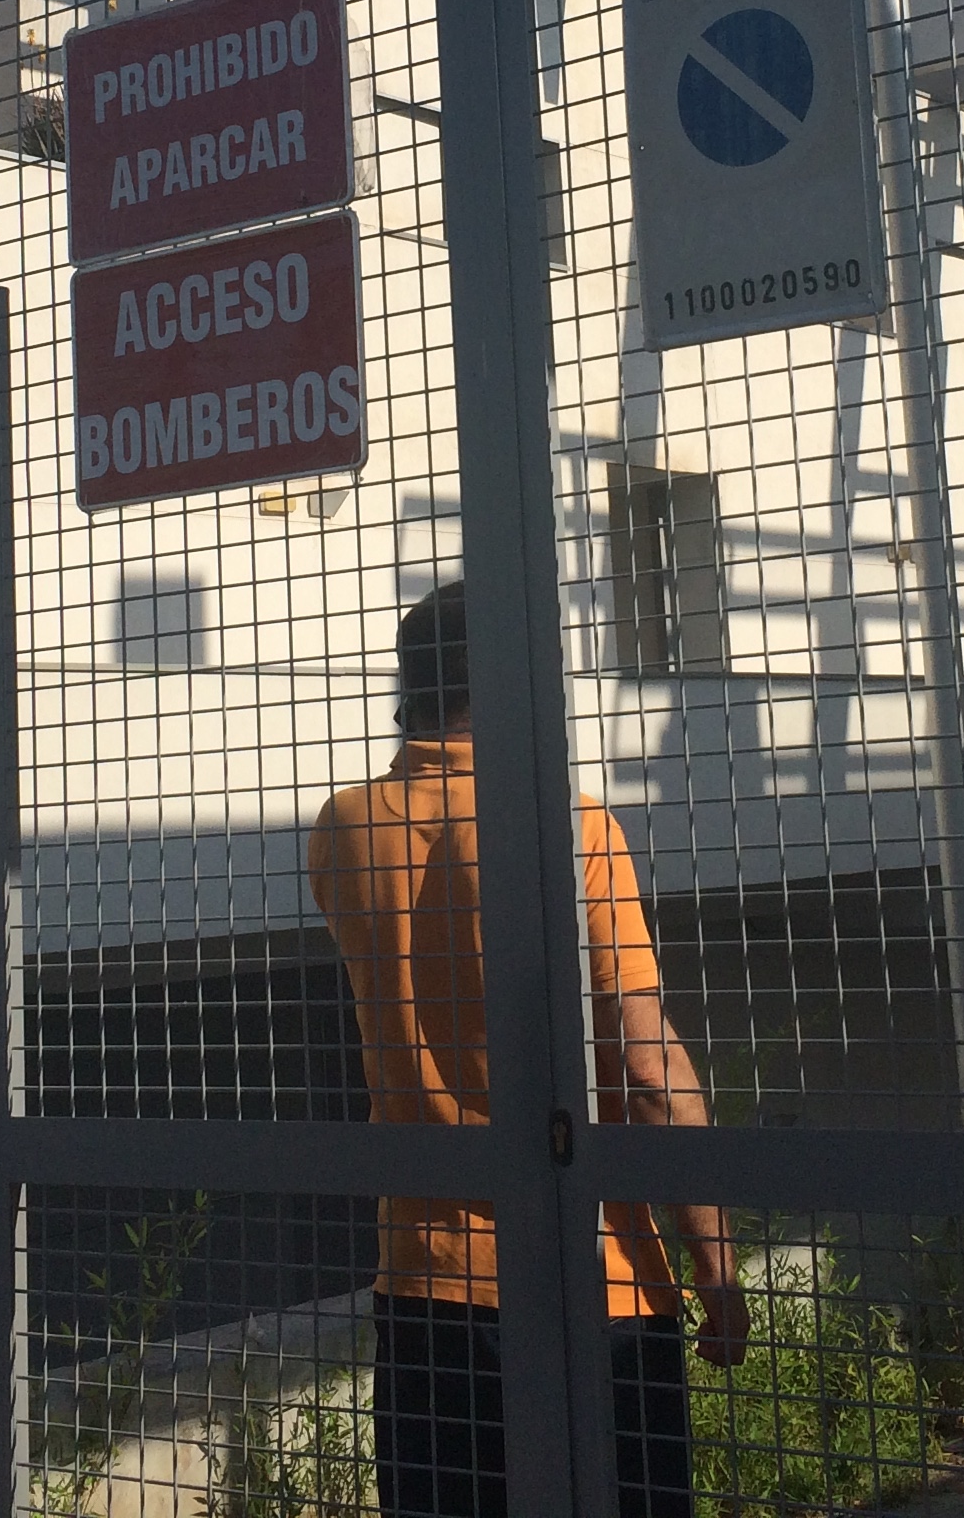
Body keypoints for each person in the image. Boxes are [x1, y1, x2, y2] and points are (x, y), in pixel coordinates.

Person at [308, 581, 746, 1518]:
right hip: (592, 1281)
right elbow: (646, 1064)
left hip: (424, 1286)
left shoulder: (344, 829)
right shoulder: (570, 826)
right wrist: (714, 1266)